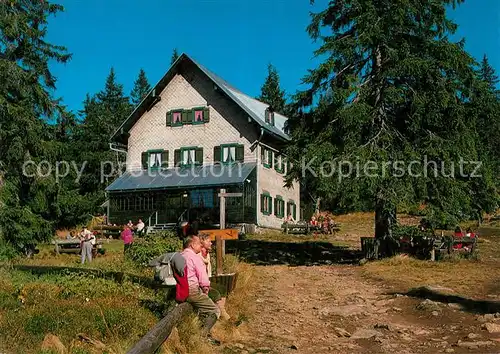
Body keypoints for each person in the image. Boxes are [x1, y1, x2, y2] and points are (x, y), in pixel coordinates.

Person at [181, 235, 220, 336]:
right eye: (199, 243)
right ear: (192, 245)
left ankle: (198, 331)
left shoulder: (180, 255)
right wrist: (205, 289)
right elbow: (203, 278)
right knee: (214, 310)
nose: (201, 245)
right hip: (193, 291)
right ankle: (202, 335)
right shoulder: (194, 257)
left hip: (180, 290)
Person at [198, 233, 230, 320]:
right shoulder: (197, 255)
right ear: (202, 242)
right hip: (199, 283)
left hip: (206, 280)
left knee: (222, 288)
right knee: (215, 293)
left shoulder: (207, 254)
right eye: (208, 241)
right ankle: (221, 315)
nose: (211, 243)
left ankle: (222, 312)